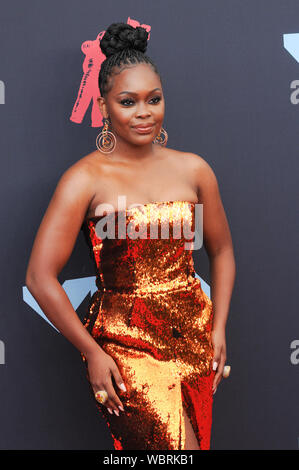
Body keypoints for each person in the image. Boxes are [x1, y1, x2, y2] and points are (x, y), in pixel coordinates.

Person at [25, 22, 236, 450]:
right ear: (103, 107)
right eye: (128, 102)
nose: (144, 112)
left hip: (191, 336)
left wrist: (219, 326)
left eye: (153, 100)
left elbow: (223, 250)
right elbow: (39, 277)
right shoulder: (83, 179)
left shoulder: (194, 169)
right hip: (126, 346)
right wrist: (92, 352)